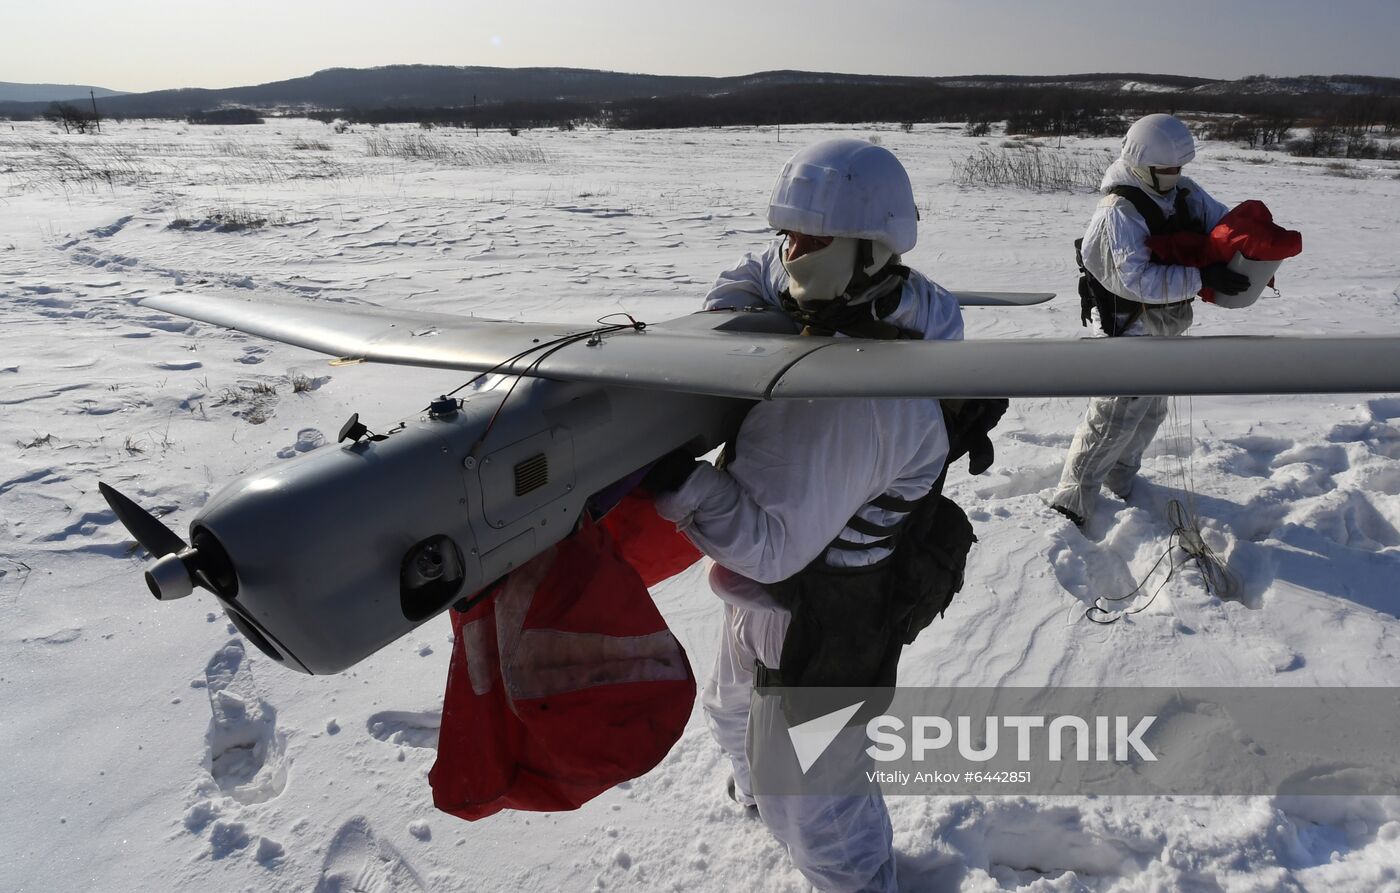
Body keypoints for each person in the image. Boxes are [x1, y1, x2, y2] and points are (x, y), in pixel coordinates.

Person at [644, 138, 965, 892]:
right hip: (766, 603)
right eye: (787, 233)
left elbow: (769, 544)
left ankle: (858, 881)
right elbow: (762, 268)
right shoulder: (842, 283)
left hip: (829, 615)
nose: (789, 251)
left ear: (870, 248)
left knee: (818, 798)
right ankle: (756, 794)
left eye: (809, 239)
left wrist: (678, 484)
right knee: (730, 713)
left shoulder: (865, 398)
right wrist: (731, 321)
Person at [1049, 114, 1248, 527]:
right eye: (1168, 170)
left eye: (1180, 168)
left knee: (1152, 412)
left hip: (1167, 324)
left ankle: (1121, 478)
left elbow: (1221, 220)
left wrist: (1252, 241)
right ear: (1143, 165)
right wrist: (1200, 277)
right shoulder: (1119, 210)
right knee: (1113, 418)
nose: (1177, 176)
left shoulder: (1181, 191)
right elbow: (1136, 281)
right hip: (1128, 326)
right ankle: (1072, 500)